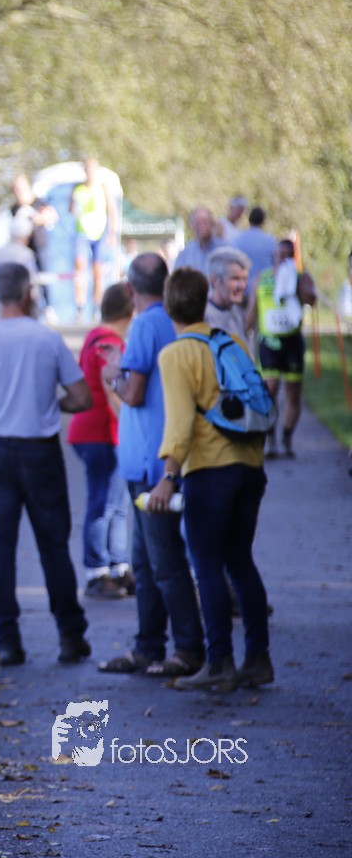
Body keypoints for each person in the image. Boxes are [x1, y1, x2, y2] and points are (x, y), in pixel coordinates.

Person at [0, 262, 93, 667]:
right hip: (40, 452)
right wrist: (48, 403)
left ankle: (6, 640)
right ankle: (70, 635)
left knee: (0, 546)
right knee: (53, 545)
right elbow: (82, 398)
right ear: (30, 293)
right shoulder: (47, 339)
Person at [152, 267, 273, 692]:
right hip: (249, 466)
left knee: (206, 565)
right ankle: (258, 658)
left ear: (168, 306)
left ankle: (219, 661)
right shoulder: (230, 342)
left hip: (210, 471)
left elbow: (180, 423)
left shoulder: (175, 354)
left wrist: (168, 477)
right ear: (205, 302)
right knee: (240, 561)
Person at [98, 253, 205, 678]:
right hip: (154, 459)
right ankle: (148, 646)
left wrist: (112, 374)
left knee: (163, 562)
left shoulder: (144, 324)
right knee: (144, 563)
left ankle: (188, 648)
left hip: (151, 465)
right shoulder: (172, 322)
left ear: (130, 290)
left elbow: (135, 391)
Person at [66, 282, 135, 599]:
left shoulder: (97, 336)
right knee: (103, 503)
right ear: (129, 311)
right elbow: (112, 390)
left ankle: (118, 566)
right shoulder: (108, 343)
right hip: (100, 433)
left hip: (100, 432)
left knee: (118, 504)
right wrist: (133, 426)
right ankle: (97, 571)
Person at [247, 238, 309, 458]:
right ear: (273, 254)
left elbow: (311, 299)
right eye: (278, 254)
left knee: (293, 393)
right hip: (269, 343)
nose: (281, 259)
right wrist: (242, 334)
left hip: (292, 343)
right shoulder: (261, 278)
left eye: (286, 255)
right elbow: (251, 311)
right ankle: (270, 437)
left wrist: (301, 283)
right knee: (270, 388)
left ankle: (287, 437)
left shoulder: (299, 278)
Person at [70, 157, 118, 319]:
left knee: (98, 272)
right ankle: (80, 307)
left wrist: (112, 233)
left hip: (99, 234)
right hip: (82, 233)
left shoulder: (103, 189)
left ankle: (97, 308)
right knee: (80, 270)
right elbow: (71, 209)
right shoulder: (78, 190)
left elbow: (112, 211)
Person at [10, 173, 58, 269]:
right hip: (24, 250)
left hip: (41, 248)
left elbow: (53, 216)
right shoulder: (14, 209)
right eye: (16, 189)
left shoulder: (39, 203)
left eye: (21, 188)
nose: (19, 192)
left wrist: (39, 219)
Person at [204, 246, 251, 340]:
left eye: (245, 278)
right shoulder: (203, 318)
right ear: (214, 280)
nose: (242, 286)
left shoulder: (237, 312)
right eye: (235, 279)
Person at [231, 206, 278, 298]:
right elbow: (275, 266)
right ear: (263, 221)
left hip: (242, 290)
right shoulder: (271, 242)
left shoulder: (237, 240)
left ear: (249, 219)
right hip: (264, 292)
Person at [173, 207, 223, 273]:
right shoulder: (186, 253)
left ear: (212, 224)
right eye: (197, 223)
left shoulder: (224, 250)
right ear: (192, 226)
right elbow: (178, 276)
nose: (201, 226)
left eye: (204, 222)